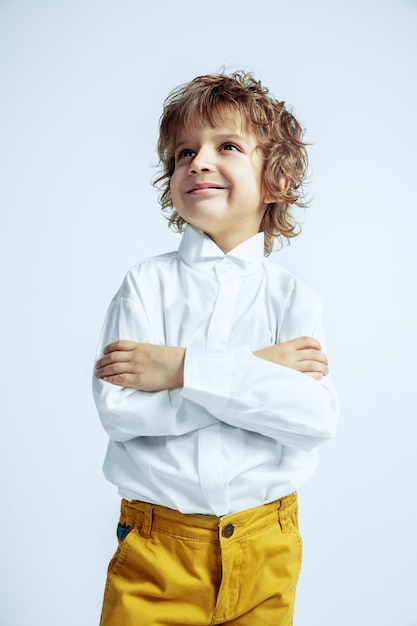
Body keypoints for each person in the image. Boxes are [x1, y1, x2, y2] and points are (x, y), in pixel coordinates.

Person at [93, 70, 339, 626]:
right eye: (184, 152)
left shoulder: (293, 297)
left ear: (275, 180)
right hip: (157, 549)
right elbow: (121, 412)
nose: (198, 162)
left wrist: (181, 369)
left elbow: (314, 417)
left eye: (226, 145)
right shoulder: (144, 285)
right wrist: (260, 371)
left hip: (266, 546)